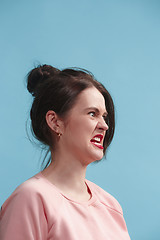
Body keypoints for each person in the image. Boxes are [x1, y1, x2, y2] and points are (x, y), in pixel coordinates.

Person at [0, 65, 131, 239]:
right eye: (92, 114)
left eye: (104, 116)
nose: (104, 126)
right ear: (55, 122)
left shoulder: (110, 205)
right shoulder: (31, 199)